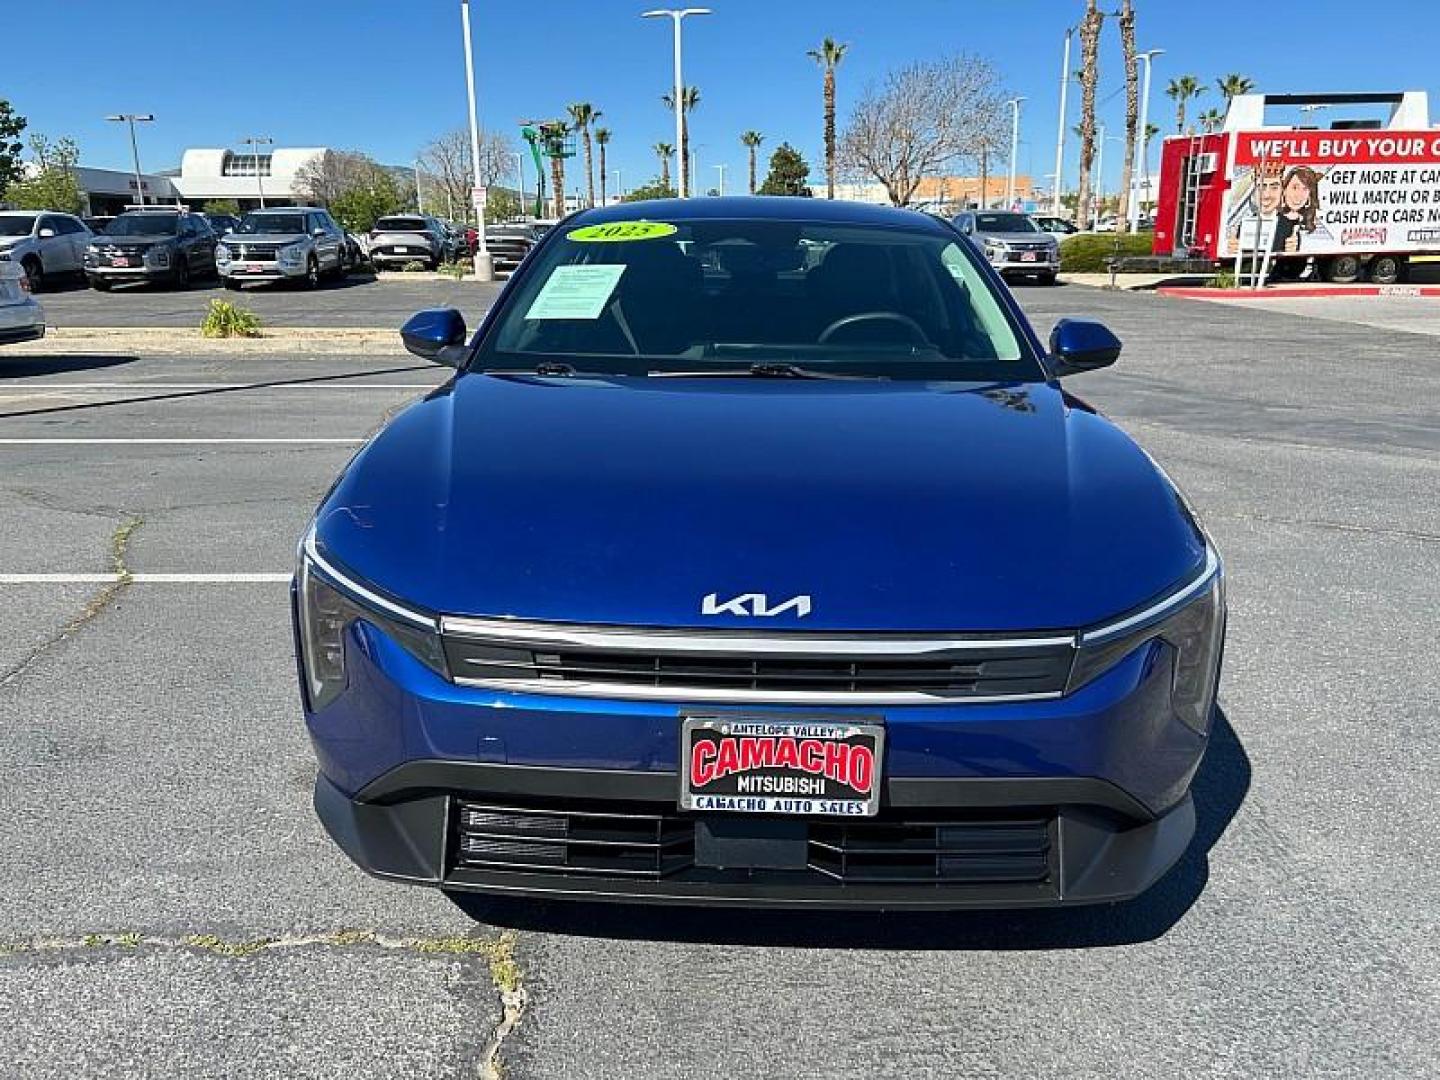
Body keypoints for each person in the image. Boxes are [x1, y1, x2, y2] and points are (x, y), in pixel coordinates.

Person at [1273, 165, 1321, 254]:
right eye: (1295, 187)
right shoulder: (1274, 222)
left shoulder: (1308, 224)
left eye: (1305, 189)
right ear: (1284, 190)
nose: (1299, 195)